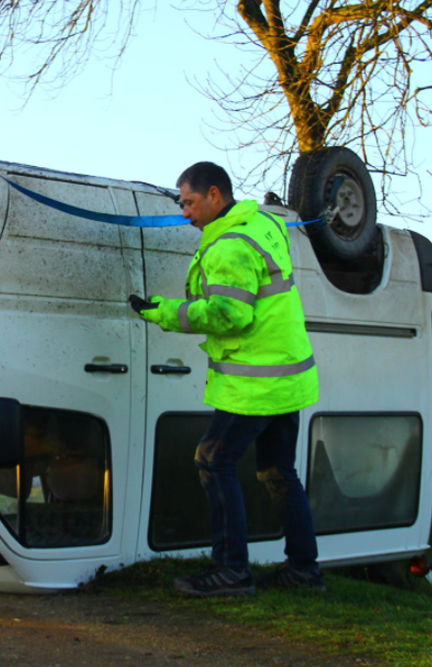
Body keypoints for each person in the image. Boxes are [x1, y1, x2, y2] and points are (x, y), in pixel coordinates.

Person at [130, 162, 324, 597]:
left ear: (214, 195)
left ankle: (231, 571)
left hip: (255, 381)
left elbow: (228, 315)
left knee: (213, 461)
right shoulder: (262, 222)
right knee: (278, 471)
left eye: (190, 203)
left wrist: (162, 311)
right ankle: (304, 570)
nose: (185, 213)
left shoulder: (229, 245)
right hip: (287, 374)